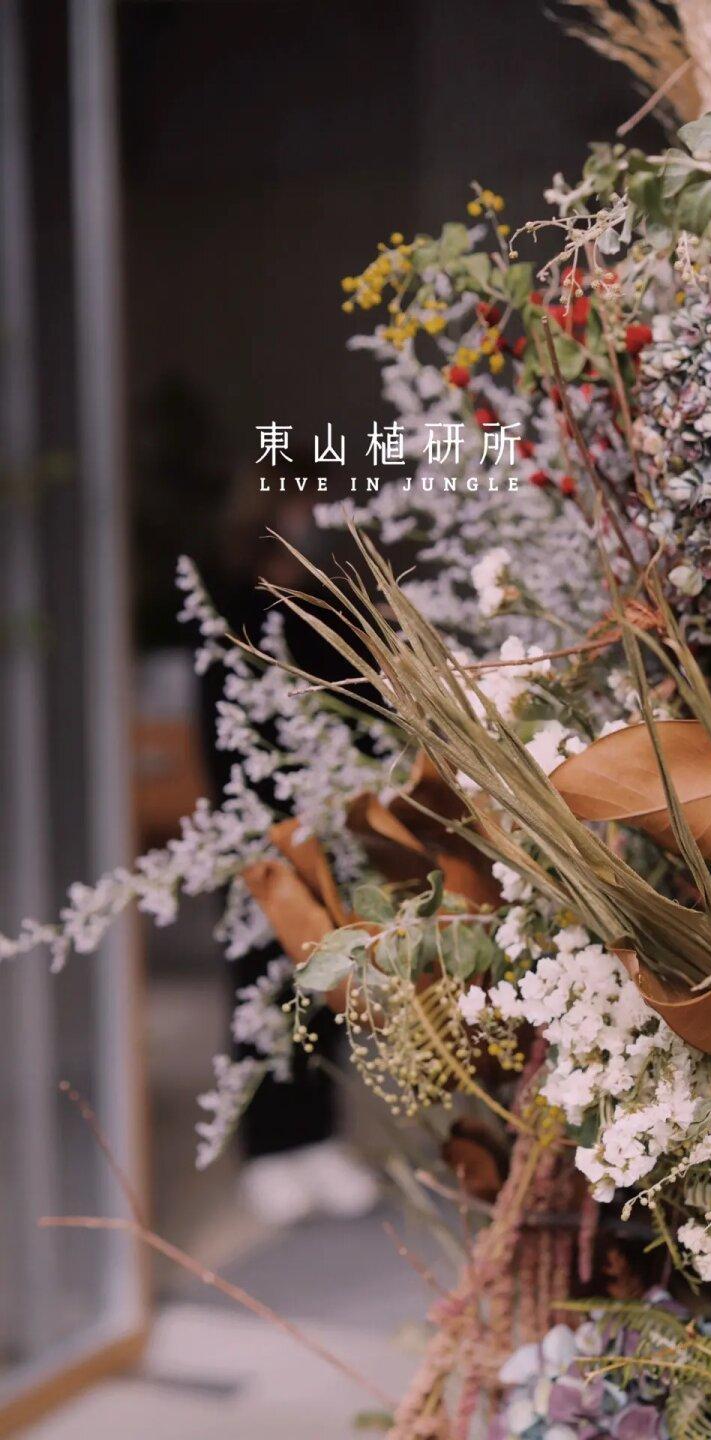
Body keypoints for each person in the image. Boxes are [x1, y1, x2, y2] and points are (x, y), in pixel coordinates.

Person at [199, 478, 379, 1226]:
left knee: (327, 983)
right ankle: (269, 1148)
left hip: (331, 833)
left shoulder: (332, 612)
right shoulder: (228, 615)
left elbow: (371, 714)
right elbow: (222, 737)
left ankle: (318, 1137)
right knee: (264, 989)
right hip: (261, 835)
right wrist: (263, 827)